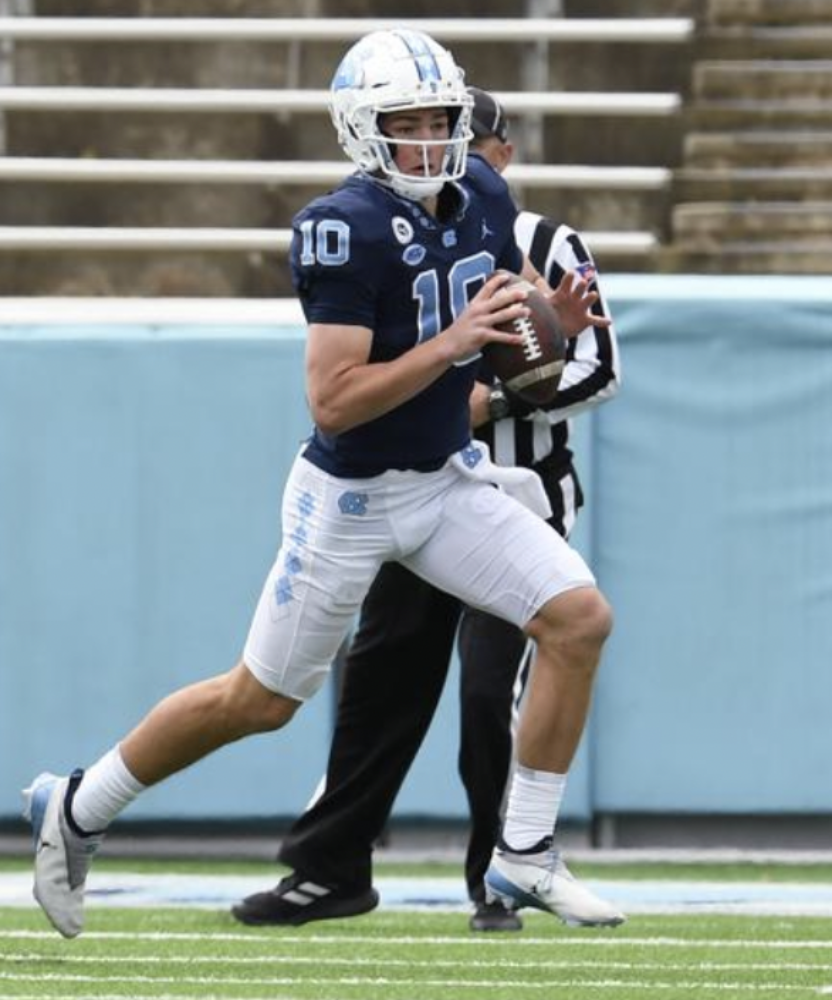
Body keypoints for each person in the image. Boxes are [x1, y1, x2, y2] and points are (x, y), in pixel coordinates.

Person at [22, 29, 624, 939]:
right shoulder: (342, 227)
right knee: (258, 700)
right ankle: (78, 804)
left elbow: (507, 308)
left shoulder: (485, 195)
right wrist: (456, 345)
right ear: (361, 129)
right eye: (404, 121)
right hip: (351, 500)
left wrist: (549, 320)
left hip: (446, 483)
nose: (427, 138)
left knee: (579, 619)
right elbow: (336, 400)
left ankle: (524, 852)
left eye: (439, 118)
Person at [231, 87, 621, 933]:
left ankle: (502, 872)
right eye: (416, 134)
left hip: (512, 496)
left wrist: (496, 393)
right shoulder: (388, 229)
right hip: (420, 482)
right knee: (381, 685)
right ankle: (330, 867)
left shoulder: (532, 234)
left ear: (499, 153)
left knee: (491, 691)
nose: (440, 153)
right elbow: (360, 379)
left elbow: (591, 366)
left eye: (459, 137)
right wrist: (454, 392)